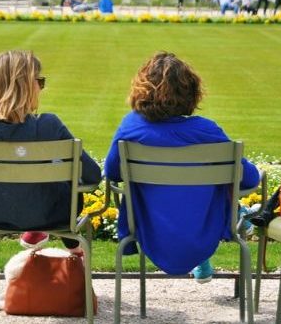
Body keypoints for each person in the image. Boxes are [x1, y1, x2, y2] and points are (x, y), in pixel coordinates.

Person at [104, 52, 260, 283]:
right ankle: (238, 215)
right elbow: (249, 179)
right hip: (202, 226)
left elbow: (113, 172)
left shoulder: (131, 127)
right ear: (190, 92)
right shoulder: (207, 131)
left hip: (149, 227)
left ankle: (226, 229)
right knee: (219, 180)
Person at [0, 50, 101, 253]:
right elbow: (92, 174)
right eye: (40, 81)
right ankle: (70, 251)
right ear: (27, 86)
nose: (41, 88)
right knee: (60, 169)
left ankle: (44, 235)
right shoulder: (49, 126)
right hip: (50, 215)